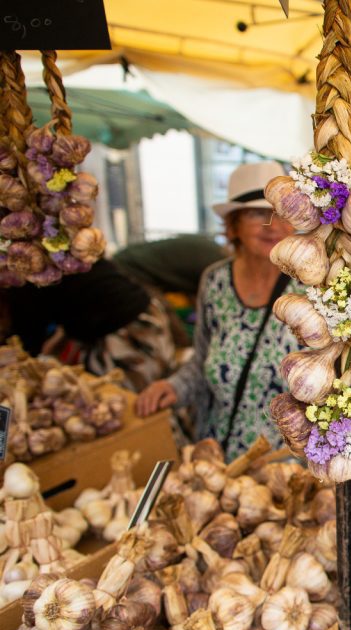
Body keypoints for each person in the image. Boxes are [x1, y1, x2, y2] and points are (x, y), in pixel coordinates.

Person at [136, 161, 301, 461]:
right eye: (257, 213)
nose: (272, 225)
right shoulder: (215, 281)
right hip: (216, 459)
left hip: (283, 466)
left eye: (281, 213)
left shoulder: (307, 288)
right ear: (233, 226)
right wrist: (173, 387)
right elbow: (201, 362)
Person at [3, 258, 177, 392]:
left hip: (127, 329)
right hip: (144, 315)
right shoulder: (40, 249)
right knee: (158, 389)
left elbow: (27, 339)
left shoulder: (21, 274)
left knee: (140, 401)